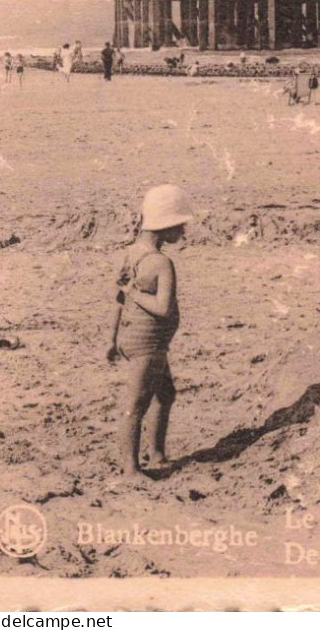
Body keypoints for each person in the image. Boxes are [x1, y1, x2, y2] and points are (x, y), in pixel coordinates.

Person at [109, 185, 194, 477]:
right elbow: (163, 309)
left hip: (132, 337)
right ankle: (131, 469)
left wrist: (112, 339)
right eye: (180, 225)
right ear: (166, 225)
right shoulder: (161, 263)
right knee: (136, 404)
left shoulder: (131, 253)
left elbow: (118, 298)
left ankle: (156, 454)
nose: (183, 231)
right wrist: (134, 290)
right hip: (149, 343)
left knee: (165, 394)